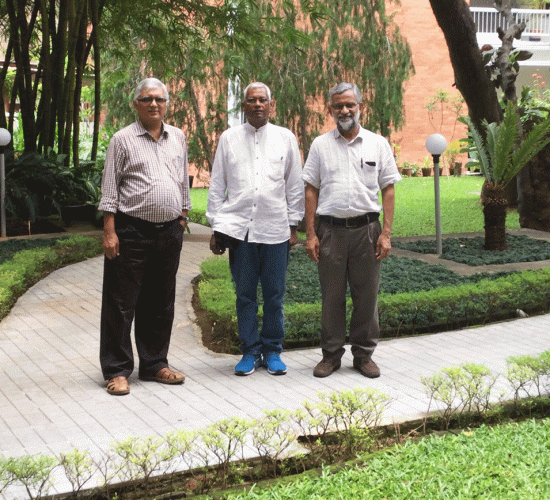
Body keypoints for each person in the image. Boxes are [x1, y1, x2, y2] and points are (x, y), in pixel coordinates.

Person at [98, 77, 191, 395]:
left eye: (159, 99)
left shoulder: (177, 137)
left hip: (169, 231)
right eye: (147, 99)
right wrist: (109, 231)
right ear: (136, 104)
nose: (154, 104)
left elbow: (183, 181)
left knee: (161, 302)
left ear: (167, 104)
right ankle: (116, 370)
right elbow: (110, 188)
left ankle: (154, 364)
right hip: (131, 231)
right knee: (121, 303)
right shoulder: (122, 140)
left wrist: (183, 217)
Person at [302, 82, 401, 379]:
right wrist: (311, 234)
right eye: (338, 106)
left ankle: (364, 355)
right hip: (330, 231)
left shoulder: (377, 144)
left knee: (367, 296)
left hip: (367, 231)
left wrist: (386, 234)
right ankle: (331, 355)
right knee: (331, 296)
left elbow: (388, 189)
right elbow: (311, 190)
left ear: (360, 107)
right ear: (330, 110)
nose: (344, 110)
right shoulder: (320, 145)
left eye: (350, 105)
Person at [206, 82, 304, 376]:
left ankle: (273, 350)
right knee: (245, 295)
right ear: (244, 106)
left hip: (275, 229)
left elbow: (294, 185)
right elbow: (217, 184)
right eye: (251, 100)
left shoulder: (286, 138)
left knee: (274, 296)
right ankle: (249, 351)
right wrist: (216, 226)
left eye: (262, 100)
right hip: (240, 232)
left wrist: (294, 225)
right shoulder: (229, 139)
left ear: (271, 105)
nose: (257, 104)